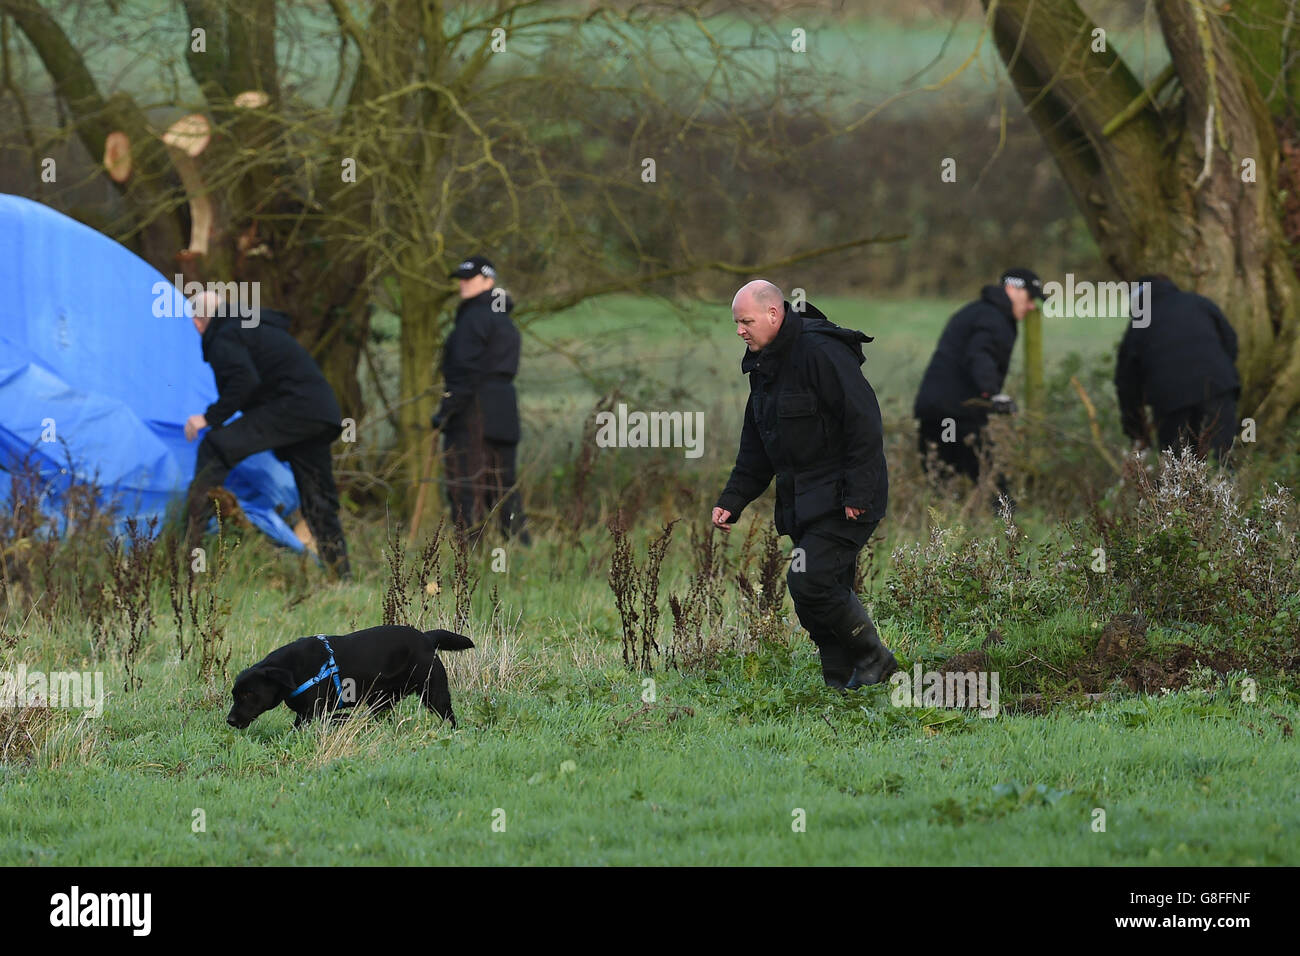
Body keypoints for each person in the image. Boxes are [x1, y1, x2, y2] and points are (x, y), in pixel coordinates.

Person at [712, 279, 893, 690]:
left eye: (746, 321)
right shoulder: (764, 365)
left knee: (808, 579)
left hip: (847, 496)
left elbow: (863, 422)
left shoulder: (821, 352)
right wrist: (733, 499)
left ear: (774, 314)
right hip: (805, 501)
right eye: (736, 323)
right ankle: (841, 684)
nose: (739, 330)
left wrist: (859, 494)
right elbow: (757, 444)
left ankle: (874, 659)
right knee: (818, 594)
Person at [183, 290, 351, 578]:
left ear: (199, 321)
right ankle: (341, 574)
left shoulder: (224, 334)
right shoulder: (249, 326)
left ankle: (190, 558)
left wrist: (208, 418)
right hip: (317, 412)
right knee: (317, 498)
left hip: (292, 409)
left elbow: (243, 381)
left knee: (214, 447)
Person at [431, 255, 529, 543]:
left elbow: (465, 372)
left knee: (465, 485)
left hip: (473, 413)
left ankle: (469, 555)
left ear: (489, 282)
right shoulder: (504, 321)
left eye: (469, 278)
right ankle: (519, 549)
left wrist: (445, 413)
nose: (462, 284)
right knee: (503, 487)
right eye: (460, 278)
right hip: (505, 411)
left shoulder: (472, 319)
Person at [913, 268, 1044, 483]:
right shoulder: (995, 318)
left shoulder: (978, 311)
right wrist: (992, 394)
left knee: (949, 480)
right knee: (987, 479)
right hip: (952, 416)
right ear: (1012, 289)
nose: (1031, 306)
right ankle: (1005, 515)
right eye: (1030, 298)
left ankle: (956, 513)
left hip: (943, 410)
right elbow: (980, 355)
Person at [1115, 274, 1239, 462]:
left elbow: (1127, 383)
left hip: (1170, 401)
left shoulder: (1139, 323)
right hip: (1218, 388)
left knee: (1178, 470)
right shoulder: (1199, 303)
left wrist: (1136, 431)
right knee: (1221, 462)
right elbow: (1230, 341)